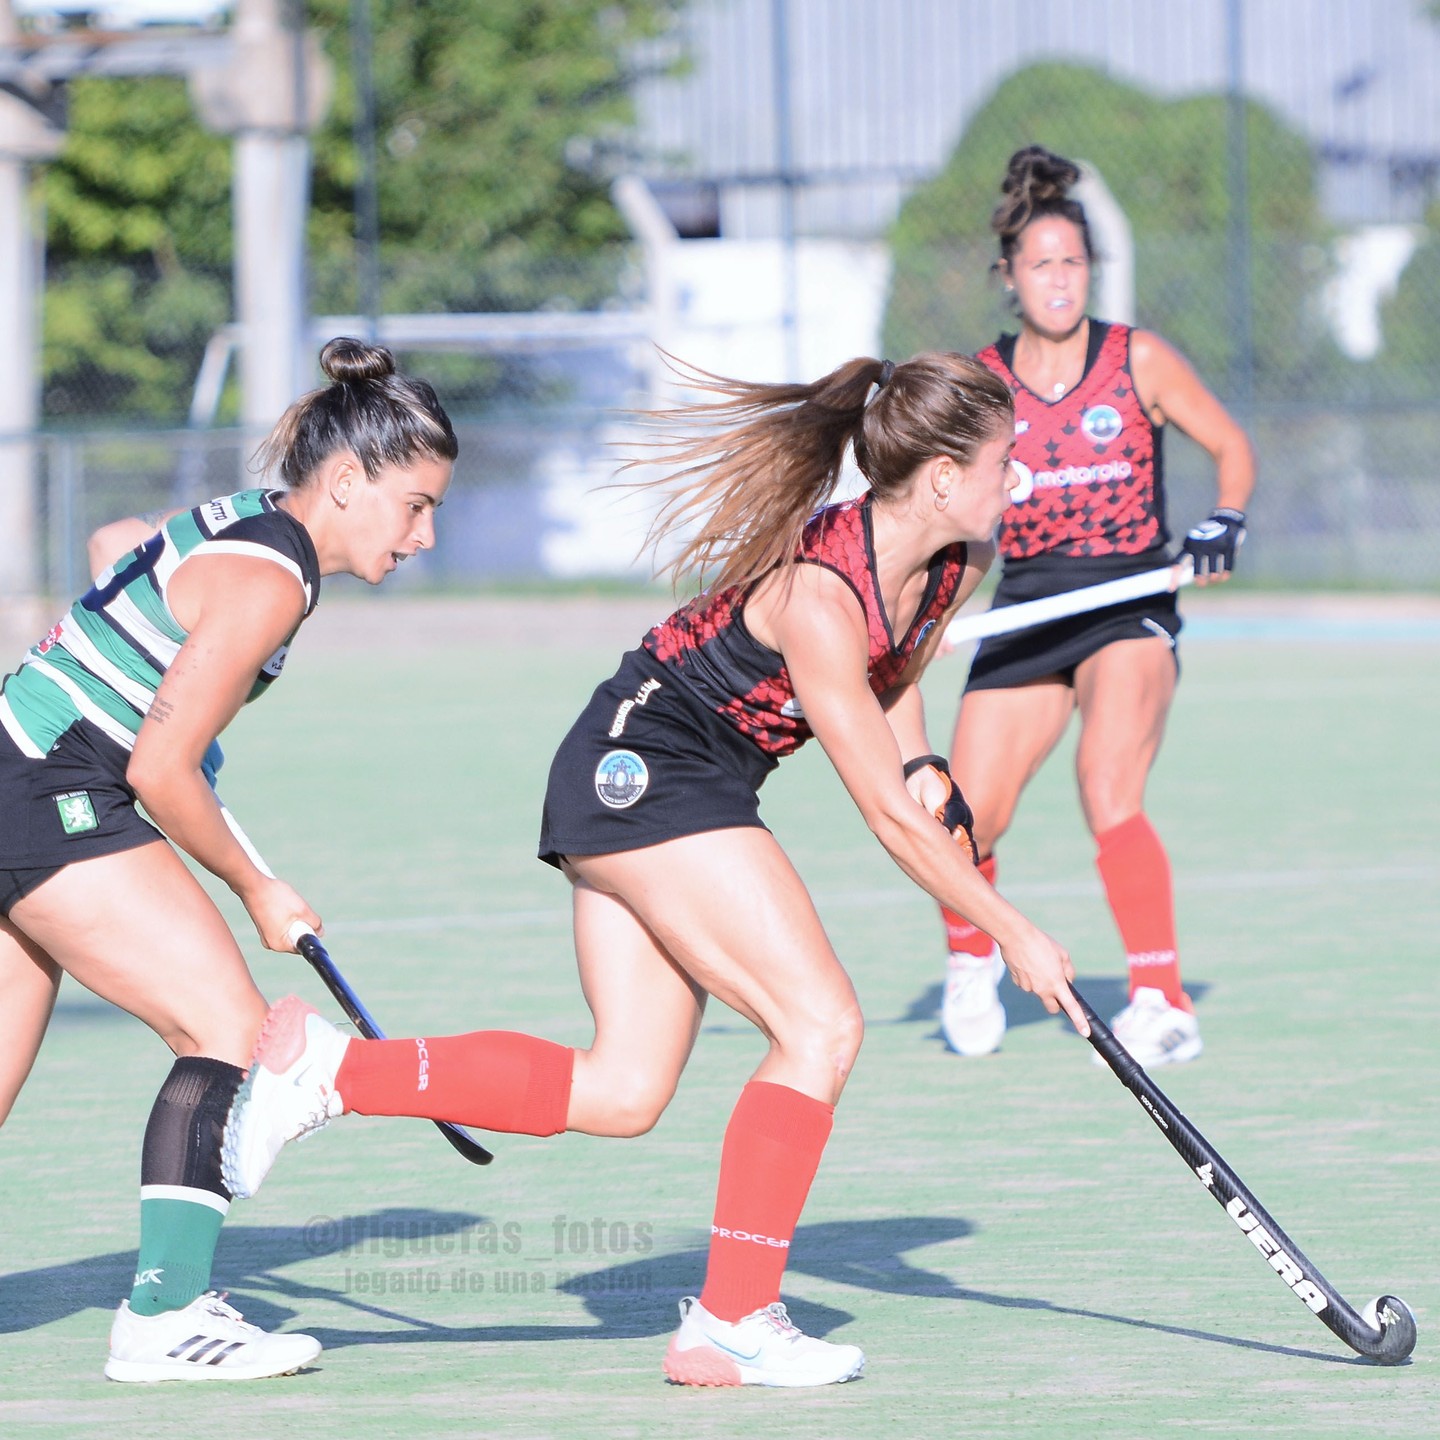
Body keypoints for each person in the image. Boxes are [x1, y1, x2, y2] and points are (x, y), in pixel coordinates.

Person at [222, 349, 1091, 1390]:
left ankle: (328, 1070)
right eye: (1007, 461)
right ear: (943, 476)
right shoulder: (821, 593)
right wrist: (1011, 929)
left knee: (626, 1087)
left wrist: (918, 759)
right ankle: (734, 1318)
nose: (1020, 479)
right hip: (649, 770)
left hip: (670, 778)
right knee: (820, 1025)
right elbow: (885, 825)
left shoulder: (949, 560)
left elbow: (889, 672)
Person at [0, 337, 457, 1381]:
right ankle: (165, 1320)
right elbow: (162, 770)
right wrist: (259, 886)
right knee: (228, 1030)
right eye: (416, 506)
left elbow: (123, 542)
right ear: (347, 482)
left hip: (16, 764)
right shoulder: (274, 580)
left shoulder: (239, 519)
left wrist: (154, 664)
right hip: (52, 794)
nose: (425, 535)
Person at [934, 145, 1256, 1066]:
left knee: (1108, 787)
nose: (1059, 279)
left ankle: (1159, 996)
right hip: (1027, 605)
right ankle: (969, 963)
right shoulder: (982, 382)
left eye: (1073, 261)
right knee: (962, 820)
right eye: (1041, 264)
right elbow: (952, 506)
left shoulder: (1137, 358)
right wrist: (934, 603)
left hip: (1129, 605)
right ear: (1010, 277)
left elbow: (1231, 447)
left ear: (1091, 271)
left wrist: (1223, 517)